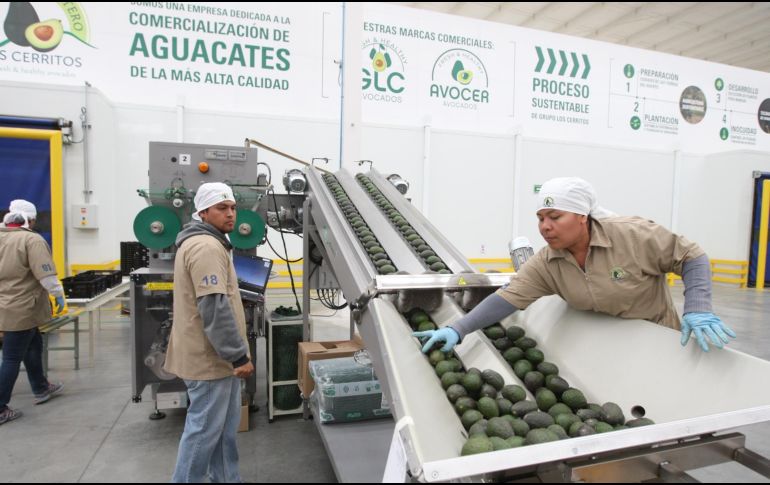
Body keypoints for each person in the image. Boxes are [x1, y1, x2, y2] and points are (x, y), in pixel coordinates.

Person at [415, 177, 736, 354]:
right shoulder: (548, 262)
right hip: (603, 345)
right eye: (541, 218)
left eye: (555, 217)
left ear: (582, 217)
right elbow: (507, 298)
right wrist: (458, 329)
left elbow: (691, 256)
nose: (545, 227)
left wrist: (697, 306)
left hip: (657, 340)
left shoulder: (632, 235)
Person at [164, 183, 254, 483]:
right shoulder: (205, 247)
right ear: (203, 212)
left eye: (232, 207)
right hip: (210, 360)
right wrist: (238, 355)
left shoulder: (211, 243)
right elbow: (214, 306)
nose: (231, 214)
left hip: (217, 360)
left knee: (222, 433)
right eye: (222, 208)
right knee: (203, 433)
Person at [0, 199, 66, 426]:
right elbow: (45, 274)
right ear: (30, 219)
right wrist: (57, 293)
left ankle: (40, 386)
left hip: (4, 305)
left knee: (34, 343)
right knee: (11, 357)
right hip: (22, 307)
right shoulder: (30, 240)